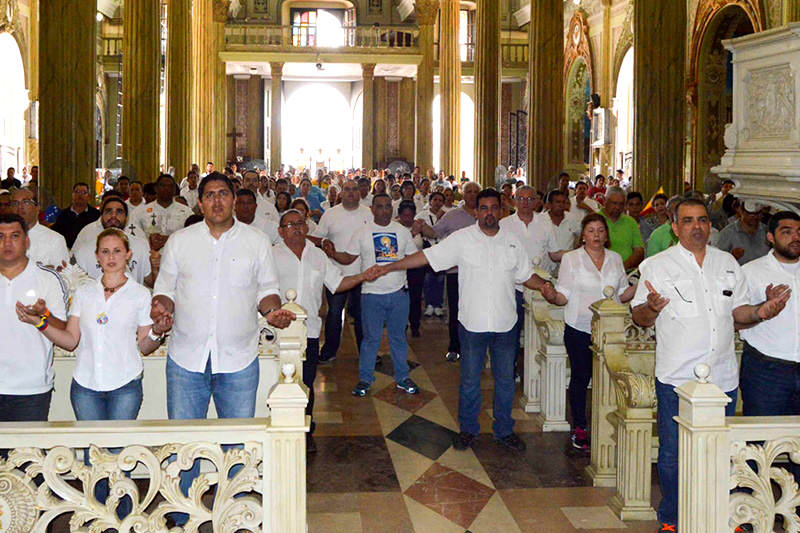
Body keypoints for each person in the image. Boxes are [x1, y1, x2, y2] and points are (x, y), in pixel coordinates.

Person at [631, 198, 790, 532]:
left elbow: (739, 315)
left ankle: (722, 514)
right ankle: (672, 517)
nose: (697, 227)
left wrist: (762, 311)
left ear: (710, 224)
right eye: (688, 221)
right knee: (674, 454)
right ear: (674, 226)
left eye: (702, 220)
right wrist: (653, 307)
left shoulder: (727, 265)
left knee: (723, 453)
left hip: (722, 376)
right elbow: (639, 317)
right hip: (678, 377)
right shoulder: (657, 266)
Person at [150, 173, 295, 522]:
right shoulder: (181, 242)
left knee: (237, 446)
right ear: (199, 203)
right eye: (210, 195)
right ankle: (184, 520)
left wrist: (272, 311)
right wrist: (162, 308)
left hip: (238, 358)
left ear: (234, 199)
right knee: (184, 446)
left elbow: (267, 289)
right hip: (187, 357)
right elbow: (164, 287)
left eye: (223, 194)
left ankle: (234, 517)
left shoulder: (256, 242)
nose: (217, 201)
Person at [366, 189, 552, 452]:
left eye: (493, 208)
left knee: (506, 381)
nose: (488, 213)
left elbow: (525, 274)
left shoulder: (512, 242)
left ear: (501, 210)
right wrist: (389, 266)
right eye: (483, 208)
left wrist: (546, 287)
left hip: (505, 324)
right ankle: (468, 430)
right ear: (476, 212)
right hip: (472, 324)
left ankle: (504, 430)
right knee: (469, 381)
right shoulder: (462, 239)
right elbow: (426, 257)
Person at [17, 228, 171, 421]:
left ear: (128, 254)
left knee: (117, 450)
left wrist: (157, 331)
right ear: (97, 256)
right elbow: (70, 340)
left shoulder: (139, 294)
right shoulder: (84, 292)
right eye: (105, 251)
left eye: (117, 251)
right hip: (85, 386)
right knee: (91, 448)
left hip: (124, 385)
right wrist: (39, 323)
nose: (111, 257)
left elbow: (145, 346)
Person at [272, 209, 366, 452]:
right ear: (281, 231)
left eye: (299, 223)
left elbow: (337, 284)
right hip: (277, 331)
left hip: (309, 330)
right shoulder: (271, 255)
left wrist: (363, 276)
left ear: (306, 228)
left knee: (306, 381)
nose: (295, 227)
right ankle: (277, 430)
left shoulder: (318, 256)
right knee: (278, 381)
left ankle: (306, 429)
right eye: (289, 224)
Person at [542, 214, 636, 451]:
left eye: (601, 231)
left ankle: (609, 426)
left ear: (607, 235)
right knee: (581, 377)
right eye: (592, 231)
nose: (597, 235)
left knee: (612, 379)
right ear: (583, 235)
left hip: (611, 329)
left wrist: (641, 288)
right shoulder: (572, 259)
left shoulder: (615, 258)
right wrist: (552, 296)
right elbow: (563, 293)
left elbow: (621, 293)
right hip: (580, 327)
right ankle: (580, 427)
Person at [333, 194, 420, 397]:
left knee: (398, 338)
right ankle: (365, 379)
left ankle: (402, 377)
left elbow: (413, 257)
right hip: (371, 294)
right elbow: (348, 257)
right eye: (380, 207)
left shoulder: (401, 232)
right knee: (371, 339)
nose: (385, 211)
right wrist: (331, 252)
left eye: (388, 207)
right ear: (372, 209)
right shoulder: (362, 232)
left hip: (399, 293)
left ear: (392, 209)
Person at [1, 213, 68, 421]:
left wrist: (42, 316)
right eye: (0, 236)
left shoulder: (47, 278)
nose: (7, 243)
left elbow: (64, 330)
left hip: (31, 388)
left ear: (26, 241)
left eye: (14, 236)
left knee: (28, 454)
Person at [739, 211, 800, 417]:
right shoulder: (750, 272)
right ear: (770, 237)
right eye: (787, 232)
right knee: (760, 440)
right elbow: (733, 320)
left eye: (799, 232)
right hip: (766, 369)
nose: (796, 237)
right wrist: (763, 308)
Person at [308, 180, 372, 363]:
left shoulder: (368, 213)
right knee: (334, 313)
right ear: (341, 193)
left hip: (362, 274)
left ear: (359, 193)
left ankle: (365, 353)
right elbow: (318, 239)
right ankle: (329, 351)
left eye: (354, 189)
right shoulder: (330, 214)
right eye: (347, 190)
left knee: (362, 315)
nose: (351, 193)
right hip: (336, 274)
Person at [420, 181, 480, 362]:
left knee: (477, 309)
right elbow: (435, 232)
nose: (471, 194)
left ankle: (475, 347)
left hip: (481, 272)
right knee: (456, 310)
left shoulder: (486, 213)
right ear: (462, 194)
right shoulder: (453, 215)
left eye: (475, 192)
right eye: (468, 191)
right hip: (457, 272)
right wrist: (421, 226)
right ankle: (455, 346)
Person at [72, 196, 155, 286]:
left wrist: (155, 268)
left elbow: (150, 282)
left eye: (119, 212)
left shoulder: (141, 245)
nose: (113, 216)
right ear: (102, 217)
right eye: (108, 211)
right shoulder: (84, 251)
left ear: (126, 218)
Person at [129, 174, 192, 250]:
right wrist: (149, 241)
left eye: (170, 186)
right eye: (163, 185)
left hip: (178, 255)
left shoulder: (186, 212)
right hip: (149, 255)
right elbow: (132, 234)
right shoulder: (141, 212)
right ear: (156, 188)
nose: (166, 188)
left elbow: (193, 235)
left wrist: (169, 239)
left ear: (175, 189)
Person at [12, 188, 68, 268]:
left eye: (26, 202)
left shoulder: (55, 239)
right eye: (15, 203)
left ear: (37, 208)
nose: (20, 207)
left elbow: (63, 276)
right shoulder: (3, 238)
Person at [395, 200, 426, 336]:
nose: (407, 219)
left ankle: (415, 325)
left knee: (415, 297)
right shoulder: (394, 227)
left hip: (416, 268)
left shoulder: (418, 225)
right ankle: (401, 324)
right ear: (399, 215)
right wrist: (412, 233)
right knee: (400, 298)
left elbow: (434, 234)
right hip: (399, 267)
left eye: (410, 216)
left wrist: (422, 227)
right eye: (405, 216)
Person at [416, 192, 446, 317]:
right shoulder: (422, 215)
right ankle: (429, 304)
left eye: (440, 200)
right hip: (428, 249)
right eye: (435, 199)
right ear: (430, 201)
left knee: (440, 279)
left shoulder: (446, 216)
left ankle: (438, 304)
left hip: (442, 250)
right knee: (428, 279)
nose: (437, 202)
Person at [600, 187, 644, 271]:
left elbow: (639, 251)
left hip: (626, 272)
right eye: (614, 203)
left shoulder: (630, 222)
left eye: (621, 204)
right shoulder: (594, 219)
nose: (618, 207)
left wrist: (621, 268)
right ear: (605, 201)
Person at [716, 199, 770, 265]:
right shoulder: (727, 233)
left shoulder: (767, 232)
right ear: (741, 211)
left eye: (758, 214)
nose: (755, 217)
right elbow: (717, 261)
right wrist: (732, 257)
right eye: (750, 214)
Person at [52, 182, 101, 248]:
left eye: (84, 192)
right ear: (72, 195)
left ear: (89, 196)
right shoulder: (62, 214)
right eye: (77, 192)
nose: (80, 195)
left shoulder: (96, 215)